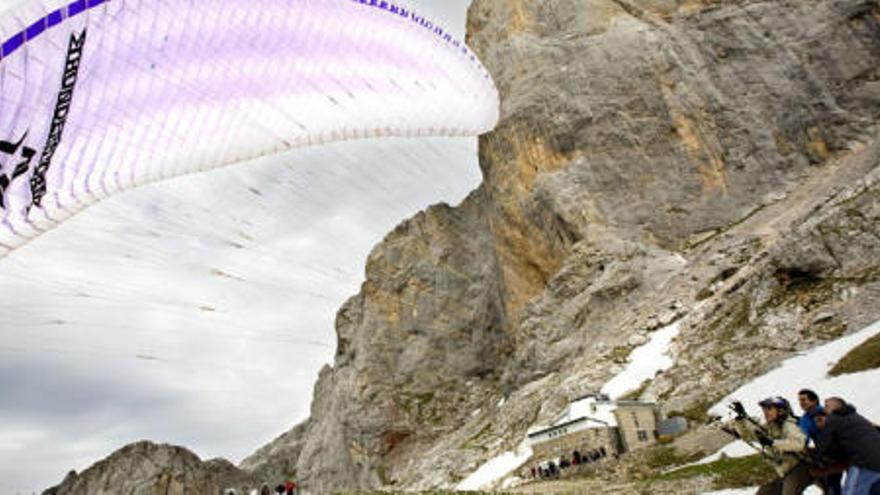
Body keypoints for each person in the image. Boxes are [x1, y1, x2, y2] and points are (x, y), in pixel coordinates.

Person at [731, 397, 811, 495]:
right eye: (764, 409)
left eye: (769, 409)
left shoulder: (789, 424)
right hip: (782, 470)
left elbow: (798, 444)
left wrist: (773, 443)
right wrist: (742, 419)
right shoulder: (771, 427)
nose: (765, 412)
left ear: (781, 411)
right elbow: (753, 435)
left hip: (799, 467)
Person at [815, 397, 880, 495]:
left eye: (827, 406)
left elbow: (825, 445)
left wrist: (817, 461)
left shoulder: (833, 418)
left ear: (837, 406)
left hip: (865, 463)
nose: (824, 409)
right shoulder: (857, 417)